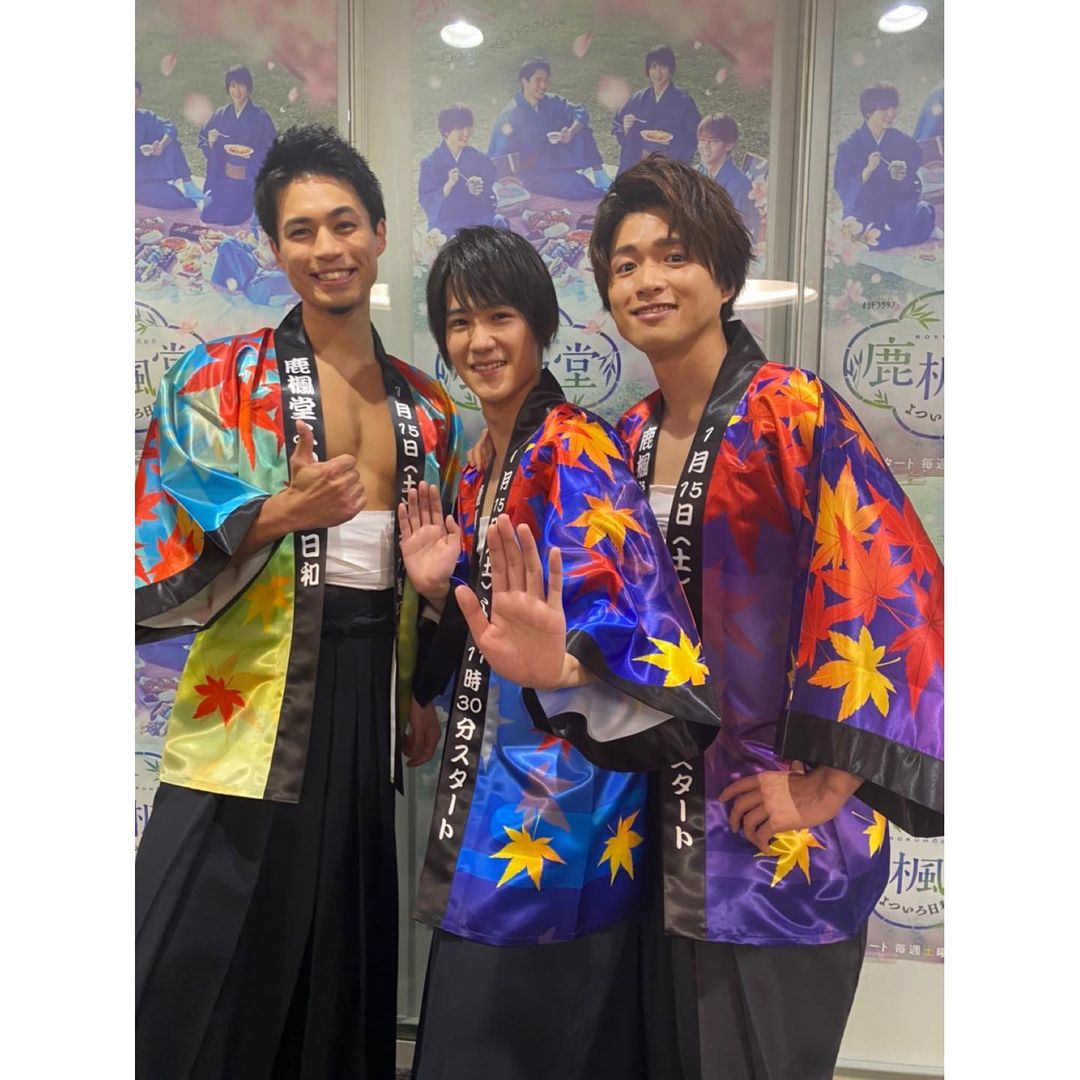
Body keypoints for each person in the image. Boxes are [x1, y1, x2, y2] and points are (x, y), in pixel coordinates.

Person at [579, 156, 944, 1079]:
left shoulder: (793, 411)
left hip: (770, 833)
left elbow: (891, 587)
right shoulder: (625, 440)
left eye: (674, 255)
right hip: (651, 828)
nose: (648, 279)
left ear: (724, 275)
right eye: (625, 264)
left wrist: (829, 785)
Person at [134, 124, 464, 1080]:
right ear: (275, 249)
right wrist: (285, 511)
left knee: (338, 928)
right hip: (252, 690)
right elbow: (165, 520)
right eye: (302, 231)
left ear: (381, 233)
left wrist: (416, 689)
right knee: (195, 935)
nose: (328, 248)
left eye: (345, 224)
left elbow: (424, 566)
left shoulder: (429, 408)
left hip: (367, 693)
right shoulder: (219, 377)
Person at [401, 226, 721, 1079]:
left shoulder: (574, 446)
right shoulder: (481, 462)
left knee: (524, 1031)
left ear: (540, 325)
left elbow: (630, 620)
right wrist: (438, 586)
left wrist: (568, 666)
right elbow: (491, 625)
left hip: (562, 795)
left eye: (499, 317)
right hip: (496, 787)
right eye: (459, 323)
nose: (479, 341)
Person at [488, 57, 612, 200]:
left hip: (554, 159)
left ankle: (599, 174)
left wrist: (570, 132)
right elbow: (497, 156)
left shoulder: (550, 101)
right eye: (538, 80)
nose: (543, 86)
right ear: (524, 81)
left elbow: (580, 112)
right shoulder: (509, 115)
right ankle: (596, 190)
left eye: (546, 81)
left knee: (582, 130)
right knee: (577, 186)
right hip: (531, 173)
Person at [833, 82, 935, 249]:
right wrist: (867, 170)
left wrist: (903, 172)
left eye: (893, 108)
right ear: (868, 112)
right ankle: (898, 237)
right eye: (884, 109)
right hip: (865, 207)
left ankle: (886, 238)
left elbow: (915, 158)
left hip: (895, 202)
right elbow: (842, 186)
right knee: (858, 230)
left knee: (922, 212)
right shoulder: (849, 146)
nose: (891, 114)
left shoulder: (900, 139)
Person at [198, 64, 278, 226]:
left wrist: (253, 156)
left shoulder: (260, 117)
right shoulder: (221, 114)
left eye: (241, 85)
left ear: (248, 87)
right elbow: (203, 137)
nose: (237, 91)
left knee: (230, 218)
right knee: (207, 214)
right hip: (224, 178)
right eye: (232, 86)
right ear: (228, 88)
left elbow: (274, 149)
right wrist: (211, 143)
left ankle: (253, 201)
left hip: (247, 180)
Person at [612, 45, 701, 176]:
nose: (657, 73)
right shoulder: (639, 98)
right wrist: (626, 128)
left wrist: (670, 147)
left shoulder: (684, 101)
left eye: (663, 67)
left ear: (671, 69)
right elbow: (618, 123)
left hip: (668, 163)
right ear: (648, 70)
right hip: (638, 160)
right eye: (653, 67)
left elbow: (694, 135)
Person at [418, 104, 498, 236]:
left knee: (500, 223)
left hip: (475, 216)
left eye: (468, 127)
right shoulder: (430, 163)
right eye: (460, 128)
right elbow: (426, 200)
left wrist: (479, 188)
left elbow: (489, 183)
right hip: (447, 222)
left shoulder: (477, 157)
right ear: (446, 131)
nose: (466, 133)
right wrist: (447, 187)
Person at [694, 113, 761, 243]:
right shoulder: (696, 173)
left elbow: (744, 233)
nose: (705, 146)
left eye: (713, 141)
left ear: (729, 145)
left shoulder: (739, 185)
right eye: (702, 140)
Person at [135, 79, 200, 209]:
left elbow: (170, 128)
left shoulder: (144, 116)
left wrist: (161, 145)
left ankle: (188, 184)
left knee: (172, 143)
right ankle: (169, 190)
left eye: (136, 97)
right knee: (173, 201)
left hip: (149, 169)